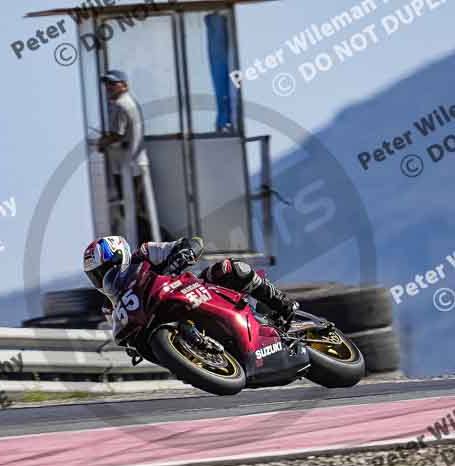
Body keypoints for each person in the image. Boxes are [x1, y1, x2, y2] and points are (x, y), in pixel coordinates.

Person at [82, 235, 299, 323]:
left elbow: (193, 242)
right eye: (97, 276)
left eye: (105, 269)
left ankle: (282, 304)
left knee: (230, 269)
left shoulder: (146, 253)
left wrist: (181, 256)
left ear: (120, 254)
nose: (103, 278)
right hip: (166, 323)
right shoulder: (110, 307)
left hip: (197, 290)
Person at [96, 70, 161, 242]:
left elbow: (117, 134)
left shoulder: (120, 105)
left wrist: (102, 143)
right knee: (136, 208)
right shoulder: (128, 102)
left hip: (128, 167)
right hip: (135, 164)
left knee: (131, 209)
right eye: (107, 84)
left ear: (124, 86)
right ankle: (148, 244)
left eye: (113, 83)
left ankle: (146, 245)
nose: (108, 87)